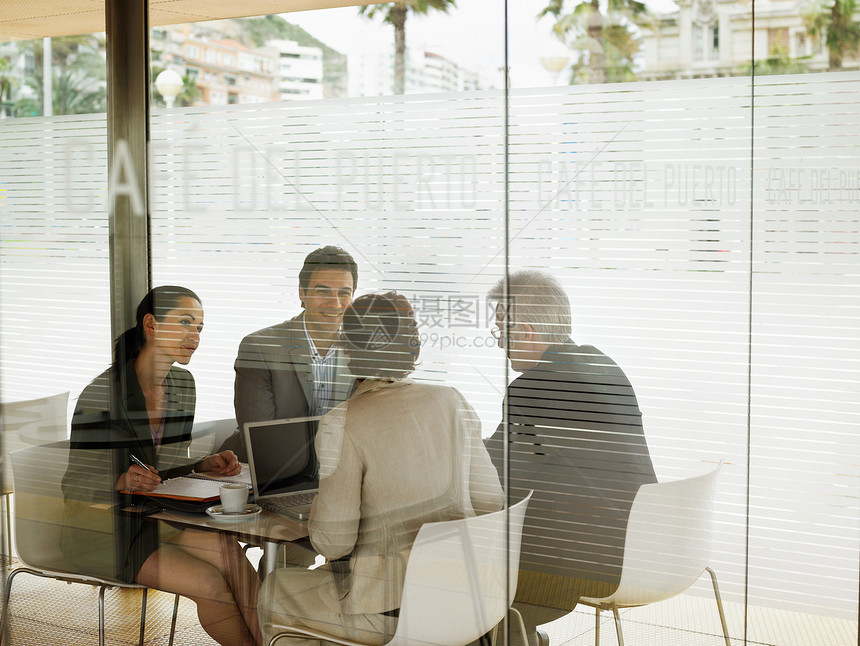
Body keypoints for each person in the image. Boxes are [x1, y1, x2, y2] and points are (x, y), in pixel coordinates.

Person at [259, 292, 504, 646]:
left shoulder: (341, 423)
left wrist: (319, 507)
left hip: (396, 611)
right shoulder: (452, 399)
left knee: (275, 588)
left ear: (346, 349)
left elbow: (333, 542)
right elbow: (490, 501)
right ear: (413, 348)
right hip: (471, 597)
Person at [61, 286, 262, 646]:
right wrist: (119, 478)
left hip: (158, 518)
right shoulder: (102, 394)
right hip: (103, 530)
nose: (195, 336)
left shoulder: (183, 385)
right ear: (151, 325)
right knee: (209, 583)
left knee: (229, 553)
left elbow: (166, 465)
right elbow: (73, 483)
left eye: (200, 327)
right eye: (185, 323)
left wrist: (204, 464)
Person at [485, 270, 657, 646]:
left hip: (590, 563)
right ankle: (524, 635)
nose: (499, 344)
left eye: (501, 332)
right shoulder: (605, 366)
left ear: (527, 331)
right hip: (648, 546)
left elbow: (492, 477)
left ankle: (515, 634)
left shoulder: (530, 389)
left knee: (466, 582)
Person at [220, 246, 359, 461]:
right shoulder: (260, 348)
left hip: (335, 473)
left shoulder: (362, 352)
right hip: (263, 474)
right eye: (323, 291)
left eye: (344, 293)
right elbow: (261, 441)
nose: (336, 303)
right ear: (302, 292)